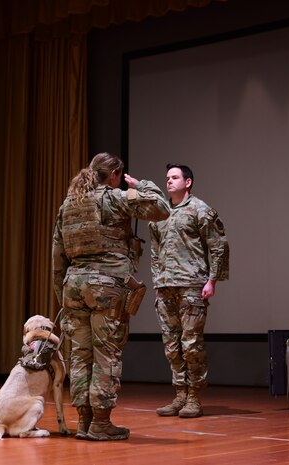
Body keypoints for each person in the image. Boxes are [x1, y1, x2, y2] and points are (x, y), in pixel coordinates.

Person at [52, 152, 170, 441]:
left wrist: (61, 296)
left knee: (80, 356)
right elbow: (162, 208)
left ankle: (84, 422)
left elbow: (57, 256)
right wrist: (140, 184)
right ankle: (101, 424)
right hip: (106, 287)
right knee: (106, 354)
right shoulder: (115, 198)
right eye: (121, 174)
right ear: (115, 173)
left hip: (73, 286)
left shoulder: (68, 204)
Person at [149, 163, 229, 419]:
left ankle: (194, 397)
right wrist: (156, 280)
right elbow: (154, 251)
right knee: (172, 346)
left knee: (191, 344)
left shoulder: (200, 210)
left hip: (192, 286)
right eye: (167, 178)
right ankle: (180, 395)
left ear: (188, 182)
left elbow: (219, 246)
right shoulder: (159, 214)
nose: (169, 182)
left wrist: (212, 280)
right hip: (165, 287)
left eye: (174, 177)